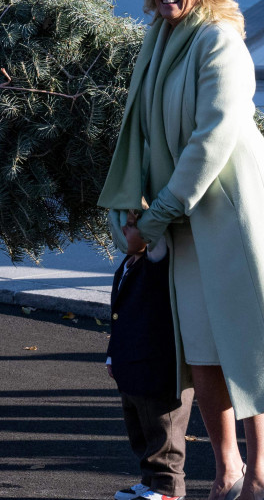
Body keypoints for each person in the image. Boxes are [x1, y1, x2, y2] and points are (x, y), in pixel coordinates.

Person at [99, 0, 264, 500]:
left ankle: (261, 472)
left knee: (246, 345)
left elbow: (210, 140)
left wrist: (157, 215)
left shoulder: (220, 42)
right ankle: (227, 471)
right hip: (182, 222)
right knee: (201, 352)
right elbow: (144, 136)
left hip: (229, 216)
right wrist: (136, 208)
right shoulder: (159, 41)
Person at [108, 209, 194, 500]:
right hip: (130, 364)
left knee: (163, 428)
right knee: (139, 428)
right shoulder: (126, 265)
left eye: (132, 226)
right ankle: (150, 480)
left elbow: (157, 233)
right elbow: (118, 316)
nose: (124, 230)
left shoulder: (157, 261)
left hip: (158, 365)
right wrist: (112, 357)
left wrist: (150, 216)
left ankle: (168, 486)